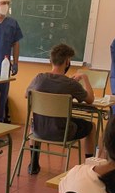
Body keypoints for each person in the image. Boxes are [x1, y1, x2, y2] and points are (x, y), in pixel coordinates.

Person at [24, 43, 96, 175]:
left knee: (34, 122)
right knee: (91, 126)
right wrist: (84, 77)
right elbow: (91, 100)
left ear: (51, 60)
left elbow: (26, 95)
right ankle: (89, 168)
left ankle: (33, 164)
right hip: (63, 133)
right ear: (67, 62)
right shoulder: (71, 84)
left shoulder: (39, 78)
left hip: (38, 131)